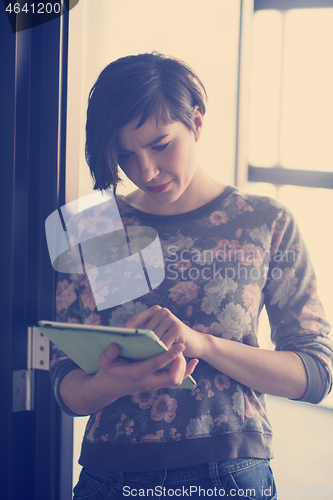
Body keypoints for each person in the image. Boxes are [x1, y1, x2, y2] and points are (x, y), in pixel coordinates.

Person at [50, 53, 333, 499]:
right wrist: (112, 382)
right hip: (112, 477)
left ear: (196, 122)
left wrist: (203, 345)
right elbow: (64, 385)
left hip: (232, 474)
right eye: (124, 154)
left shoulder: (263, 221)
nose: (145, 171)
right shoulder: (95, 227)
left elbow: (314, 374)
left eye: (160, 144)